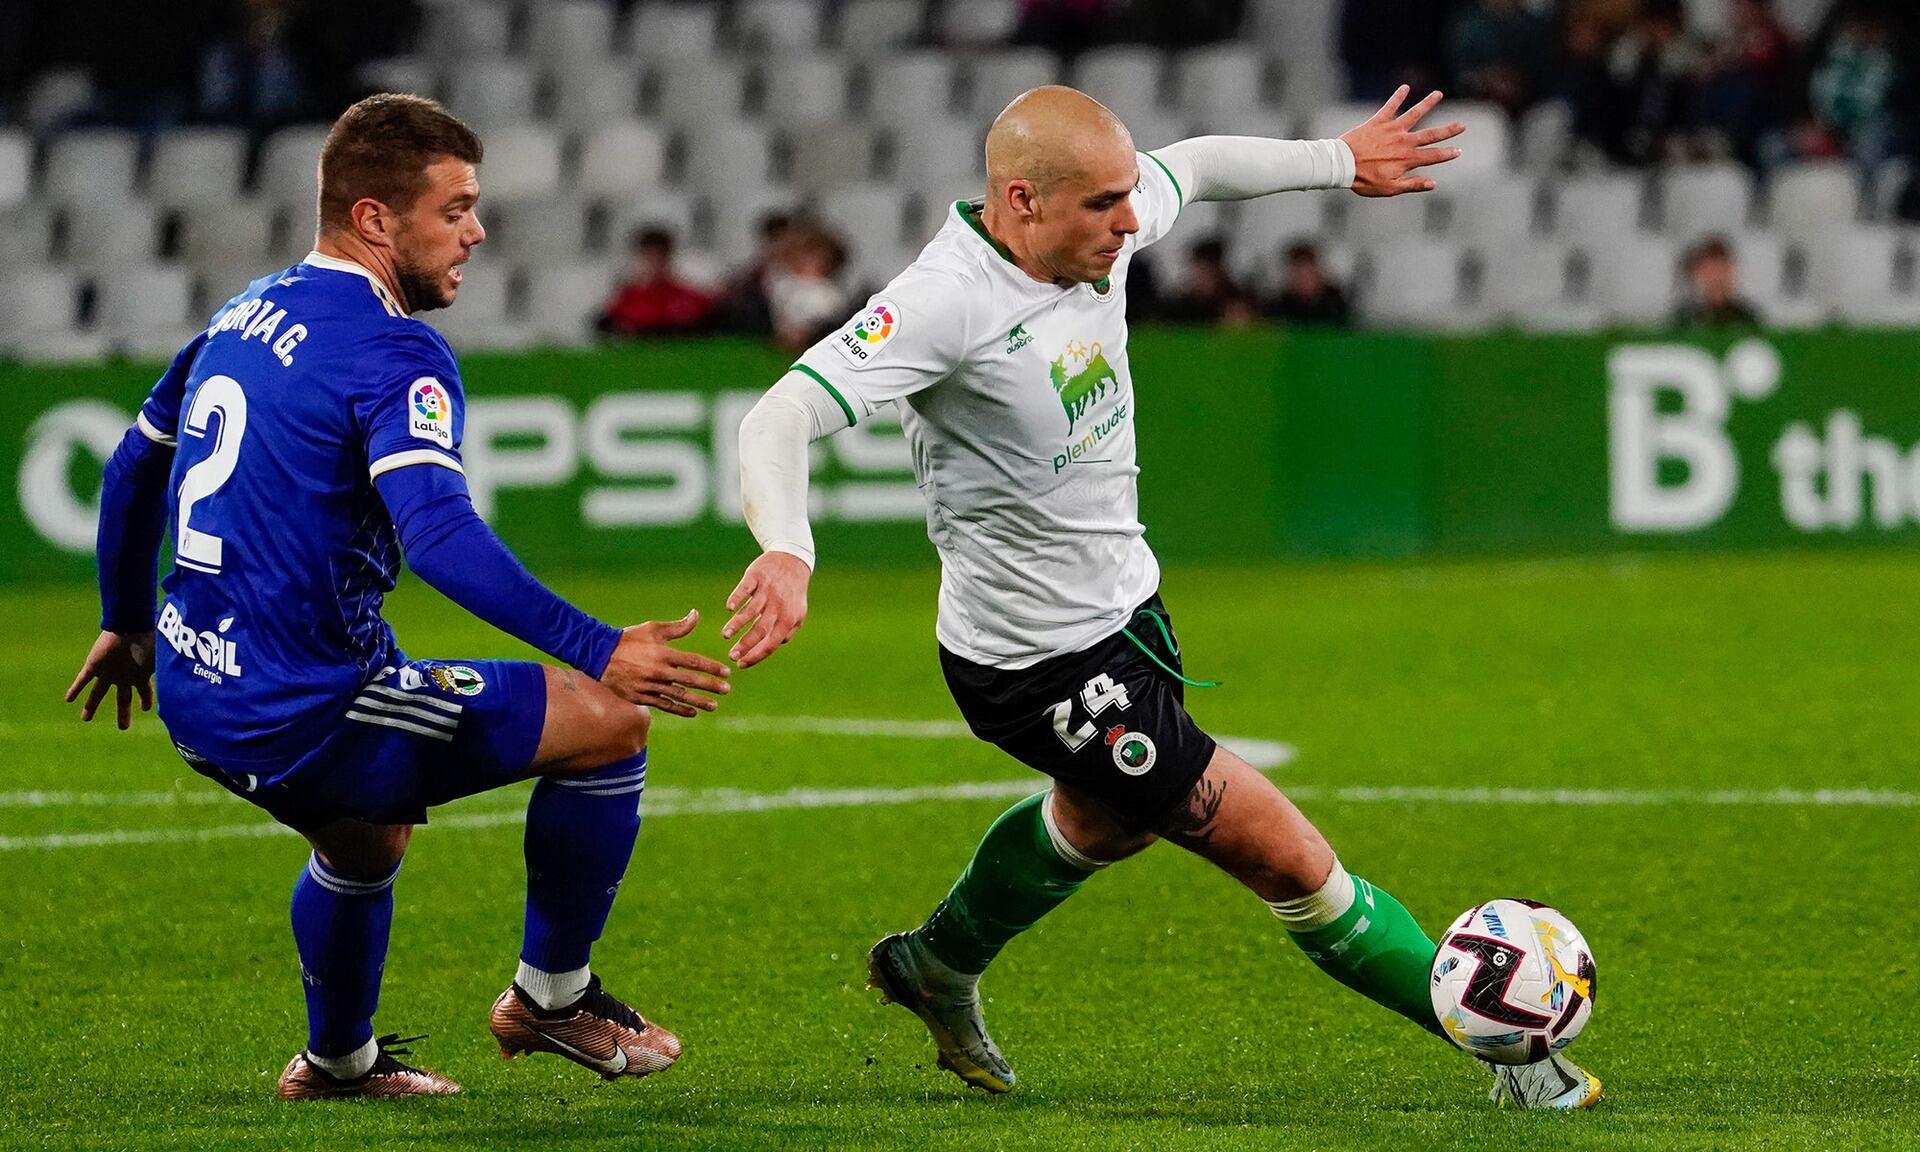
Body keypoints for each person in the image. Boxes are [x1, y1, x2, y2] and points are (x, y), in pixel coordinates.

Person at [722, 84, 1602, 1110]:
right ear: (1022, 200)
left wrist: (1337, 158)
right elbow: (777, 418)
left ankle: (935, 963)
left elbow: (1197, 165)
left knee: (1105, 824)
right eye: (1103, 204)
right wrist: (788, 549)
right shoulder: (943, 304)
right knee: (1287, 858)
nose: (1131, 222)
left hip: (1128, 614)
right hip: (1038, 664)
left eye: (1127, 197)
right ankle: (1510, 1055)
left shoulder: (1098, 227)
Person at [66, 94, 731, 1100]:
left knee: (366, 833)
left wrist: (122, 620)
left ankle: (338, 1064)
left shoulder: (243, 312)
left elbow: (132, 464)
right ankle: (554, 998)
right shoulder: (394, 351)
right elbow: (440, 536)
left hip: (199, 688)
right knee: (611, 722)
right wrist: (597, 645)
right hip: (305, 704)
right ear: (375, 218)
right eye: (454, 208)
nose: (476, 230)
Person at [598, 226, 716, 337]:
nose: (654, 264)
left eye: (659, 257)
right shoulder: (625, 300)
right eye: (649, 257)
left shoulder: (690, 299)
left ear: (668, 258)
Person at [1159, 236, 1256, 326]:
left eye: (1210, 269)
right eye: (1201, 269)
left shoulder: (1236, 301)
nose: (1205, 276)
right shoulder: (1180, 306)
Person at [1674, 235, 1761, 327]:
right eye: (1710, 271)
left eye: (1722, 270)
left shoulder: (1748, 318)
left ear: (1731, 272)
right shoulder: (1684, 318)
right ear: (1699, 274)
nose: (1716, 278)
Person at [1264, 241, 1353, 328]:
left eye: (1308, 273)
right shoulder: (1280, 304)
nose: (1304, 279)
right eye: (1298, 273)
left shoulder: (1335, 302)